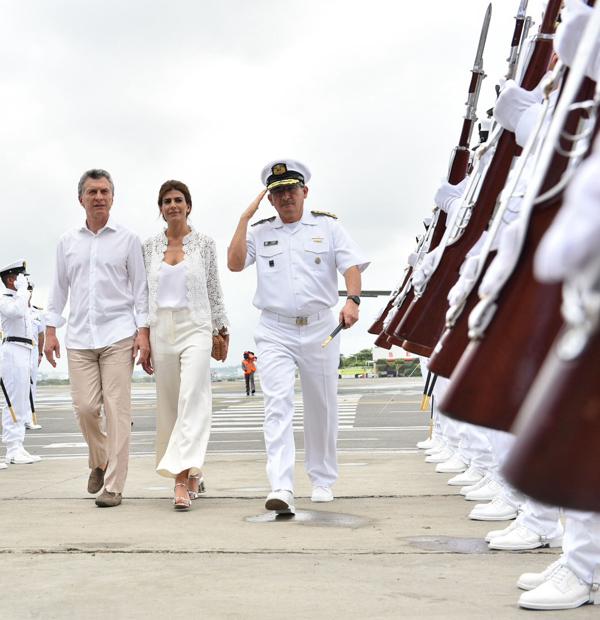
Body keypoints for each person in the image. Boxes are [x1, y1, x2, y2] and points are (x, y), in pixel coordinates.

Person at [227, 159, 369, 514]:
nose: (286, 197)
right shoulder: (259, 232)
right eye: (278, 193)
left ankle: (321, 480)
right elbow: (233, 263)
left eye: (291, 189)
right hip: (275, 329)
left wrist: (352, 300)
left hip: (321, 326)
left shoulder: (328, 227)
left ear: (305, 192)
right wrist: (243, 221)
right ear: (270, 200)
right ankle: (281, 485)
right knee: (277, 405)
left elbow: (350, 265)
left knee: (321, 405)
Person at [44, 169, 150, 508]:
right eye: (92, 192)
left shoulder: (128, 239)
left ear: (113, 197)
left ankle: (114, 485)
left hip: (119, 334)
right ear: (81, 199)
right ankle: (100, 460)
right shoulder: (67, 242)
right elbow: (59, 288)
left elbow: (141, 290)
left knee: (117, 411)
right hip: (79, 337)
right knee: (86, 409)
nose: (99, 197)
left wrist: (143, 332)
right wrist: (50, 330)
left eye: (104, 191)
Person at [142, 180, 229, 511]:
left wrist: (222, 328)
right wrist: (143, 336)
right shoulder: (149, 247)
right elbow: (142, 295)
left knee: (193, 397)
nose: (173, 205)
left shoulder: (204, 244)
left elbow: (213, 287)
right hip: (160, 329)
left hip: (196, 326)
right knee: (170, 405)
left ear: (188, 206)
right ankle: (194, 471)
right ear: (161, 209)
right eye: (166, 201)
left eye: (179, 200)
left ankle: (180, 480)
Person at [0, 260, 41, 465]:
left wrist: (23, 292)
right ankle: (12, 448)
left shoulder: (21, 299)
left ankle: (19, 446)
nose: (25, 280)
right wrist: (22, 291)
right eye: (21, 277)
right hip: (12, 350)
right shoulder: (4, 299)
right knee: (13, 401)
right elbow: (15, 312)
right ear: (10, 279)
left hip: (26, 350)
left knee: (23, 401)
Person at [26, 282, 45, 430]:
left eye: (29, 290)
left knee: (31, 385)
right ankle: (17, 419)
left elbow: (41, 334)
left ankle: (29, 419)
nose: (28, 293)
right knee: (16, 385)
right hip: (15, 349)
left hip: (32, 351)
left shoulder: (36, 313)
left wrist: (40, 353)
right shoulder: (11, 309)